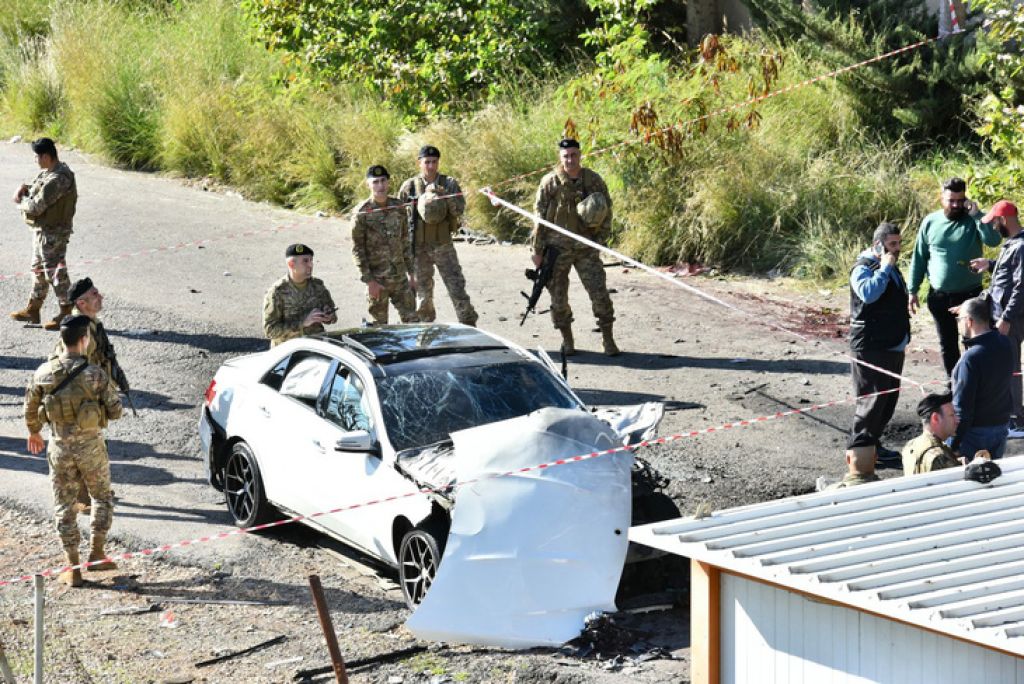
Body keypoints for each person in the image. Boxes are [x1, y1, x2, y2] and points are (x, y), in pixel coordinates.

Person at [24, 315, 123, 587]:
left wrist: (34, 432)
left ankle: (72, 566)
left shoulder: (43, 372)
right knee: (101, 497)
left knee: (64, 505)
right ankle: (98, 552)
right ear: (84, 340)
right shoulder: (96, 374)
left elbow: (30, 407)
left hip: (59, 448)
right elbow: (116, 411)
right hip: (91, 447)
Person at [532, 138, 619, 356]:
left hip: (585, 248)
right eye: (565, 156)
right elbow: (539, 218)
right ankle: (567, 340)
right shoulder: (550, 182)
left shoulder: (593, 180)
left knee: (599, 293)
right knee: (558, 298)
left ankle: (608, 339)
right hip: (556, 249)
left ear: (580, 155)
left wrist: (599, 240)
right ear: (560, 158)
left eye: (573, 155)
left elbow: (607, 211)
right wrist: (537, 250)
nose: (570, 160)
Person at [908, 177, 1001, 378]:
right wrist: (912, 290)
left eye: (960, 200)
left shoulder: (974, 220)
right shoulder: (930, 222)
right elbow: (920, 256)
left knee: (975, 344)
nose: (956, 205)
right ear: (942, 198)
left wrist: (977, 215)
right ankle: (954, 387)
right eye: (951, 200)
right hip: (940, 296)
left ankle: (977, 385)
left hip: (970, 297)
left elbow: (993, 240)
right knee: (947, 345)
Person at [52, 278, 122, 514]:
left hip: (88, 396)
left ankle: (88, 494)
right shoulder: (80, 330)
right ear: (82, 303)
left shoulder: (89, 323)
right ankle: (85, 498)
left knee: (90, 445)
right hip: (80, 400)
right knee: (85, 446)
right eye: (94, 294)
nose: (100, 297)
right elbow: (69, 366)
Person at [848, 222, 911, 465]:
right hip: (871, 346)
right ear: (878, 245)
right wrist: (884, 269)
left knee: (886, 402)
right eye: (892, 244)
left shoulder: (889, 264)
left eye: (899, 243)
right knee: (871, 402)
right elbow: (868, 293)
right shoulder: (863, 267)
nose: (897, 249)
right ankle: (859, 456)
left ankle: (874, 445)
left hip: (892, 343)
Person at [398, 145, 478, 326]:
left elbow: (459, 210)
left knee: (456, 287)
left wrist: (445, 196)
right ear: (419, 163)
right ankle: (425, 329)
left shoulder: (449, 183)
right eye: (427, 162)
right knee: (422, 293)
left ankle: (468, 325)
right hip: (418, 248)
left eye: (434, 162)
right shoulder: (410, 187)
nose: (431, 166)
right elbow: (399, 219)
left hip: (443, 245)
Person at [9, 138, 79, 331]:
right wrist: (26, 189)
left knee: (55, 272)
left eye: (36, 157)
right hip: (44, 231)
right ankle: (33, 309)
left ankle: (67, 311)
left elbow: (36, 206)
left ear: (46, 157)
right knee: (38, 269)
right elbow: (37, 191)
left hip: (54, 233)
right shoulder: (48, 173)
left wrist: (19, 200)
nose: (35, 160)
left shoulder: (59, 178)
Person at [969, 200, 1024, 436]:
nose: (993, 227)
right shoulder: (1012, 244)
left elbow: (1022, 286)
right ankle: (1013, 415)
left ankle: (1017, 420)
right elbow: (1008, 275)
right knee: (1005, 364)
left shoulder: (1021, 245)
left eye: (994, 222)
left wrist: (1007, 318)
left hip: (1011, 318)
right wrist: (990, 264)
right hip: (1002, 315)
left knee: (1010, 366)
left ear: (1003, 220)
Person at [352, 165, 418, 325]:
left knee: (413, 323)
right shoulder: (361, 213)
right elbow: (358, 250)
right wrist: (369, 282)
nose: (380, 186)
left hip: (400, 278)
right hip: (378, 280)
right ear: (368, 184)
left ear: (388, 182)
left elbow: (405, 241)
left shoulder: (398, 206)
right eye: (375, 182)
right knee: (379, 327)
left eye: (383, 181)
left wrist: (412, 273)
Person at [952, 296, 1014, 460]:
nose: (958, 323)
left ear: (969, 321)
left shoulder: (970, 358)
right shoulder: (1005, 344)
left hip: (975, 433)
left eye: (959, 319)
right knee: (993, 480)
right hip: (1001, 425)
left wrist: (954, 443)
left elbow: (962, 407)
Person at [262, 244, 337, 347]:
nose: (311, 265)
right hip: (288, 351)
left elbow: (333, 316)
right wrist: (302, 322)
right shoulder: (277, 292)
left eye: (311, 260)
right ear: (291, 264)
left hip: (316, 346)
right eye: (305, 261)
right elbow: (270, 330)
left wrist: (329, 316)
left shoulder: (318, 286)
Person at [901, 393, 962, 474]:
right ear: (935, 418)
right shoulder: (939, 457)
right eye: (951, 415)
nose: (957, 420)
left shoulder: (910, 446)